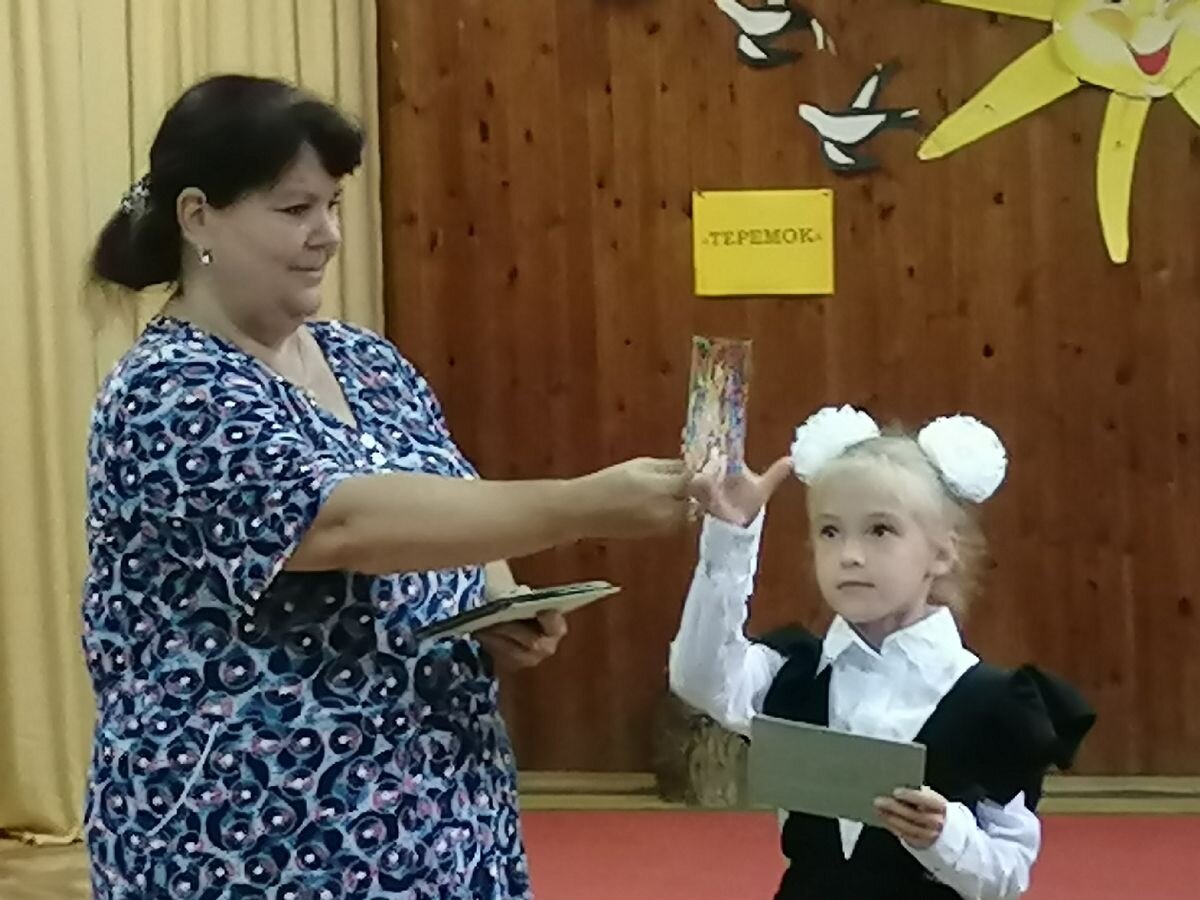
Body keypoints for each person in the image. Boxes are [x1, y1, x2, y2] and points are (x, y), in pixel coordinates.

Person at [82, 74, 696, 900]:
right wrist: (585, 504)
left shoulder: (363, 359)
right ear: (197, 217)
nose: (328, 235)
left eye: (333, 205)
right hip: (251, 834)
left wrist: (497, 600)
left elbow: (450, 495)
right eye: (295, 209)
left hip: (436, 811)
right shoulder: (169, 389)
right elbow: (340, 524)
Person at [669, 405, 1095, 899]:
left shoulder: (996, 703)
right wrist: (730, 539)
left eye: (880, 530)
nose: (850, 555)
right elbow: (699, 678)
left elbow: (1007, 875)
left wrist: (945, 836)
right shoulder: (793, 674)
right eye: (830, 531)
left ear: (942, 552)